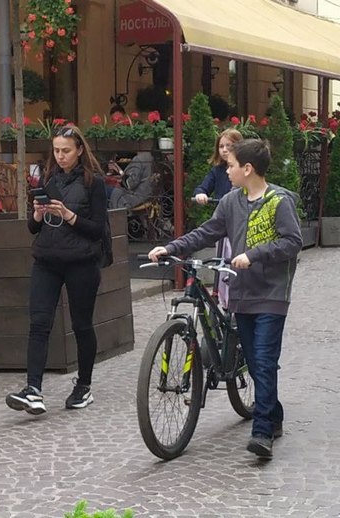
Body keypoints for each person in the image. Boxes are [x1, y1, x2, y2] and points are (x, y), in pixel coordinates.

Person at [148, 139, 302, 459]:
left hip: (271, 295)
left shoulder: (278, 202)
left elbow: (292, 242)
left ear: (247, 169)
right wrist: (172, 248)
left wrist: (253, 255)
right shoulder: (231, 201)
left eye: (230, 165)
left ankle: (261, 433)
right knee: (255, 359)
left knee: (262, 360)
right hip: (242, 294)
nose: (226, 169)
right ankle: (272, 414)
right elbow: (206, 232)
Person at [6, 125, 108, 415]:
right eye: (56, 150)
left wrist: (69, 215)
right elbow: (32, 228)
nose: (60, 156)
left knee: (81, 325)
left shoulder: (94, 182)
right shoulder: (48, 179)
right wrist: (37, 215)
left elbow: (97, 230)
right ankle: (33, 390)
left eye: (66, 150)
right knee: (39, 323)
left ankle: (83, 386)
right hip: (47, 260)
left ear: (79, 150)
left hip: (81, 262)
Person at [194, 128, 243, 308]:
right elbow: (202, 187)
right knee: (221, 262)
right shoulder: (217, 171)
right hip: (222, 223)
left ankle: (237, 297)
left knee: (235, 261)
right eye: (221, 146)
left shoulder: (242, 170)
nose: (224, 150)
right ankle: (223, 298)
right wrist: (201, 195)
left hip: (238, 224)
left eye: (229, 146)